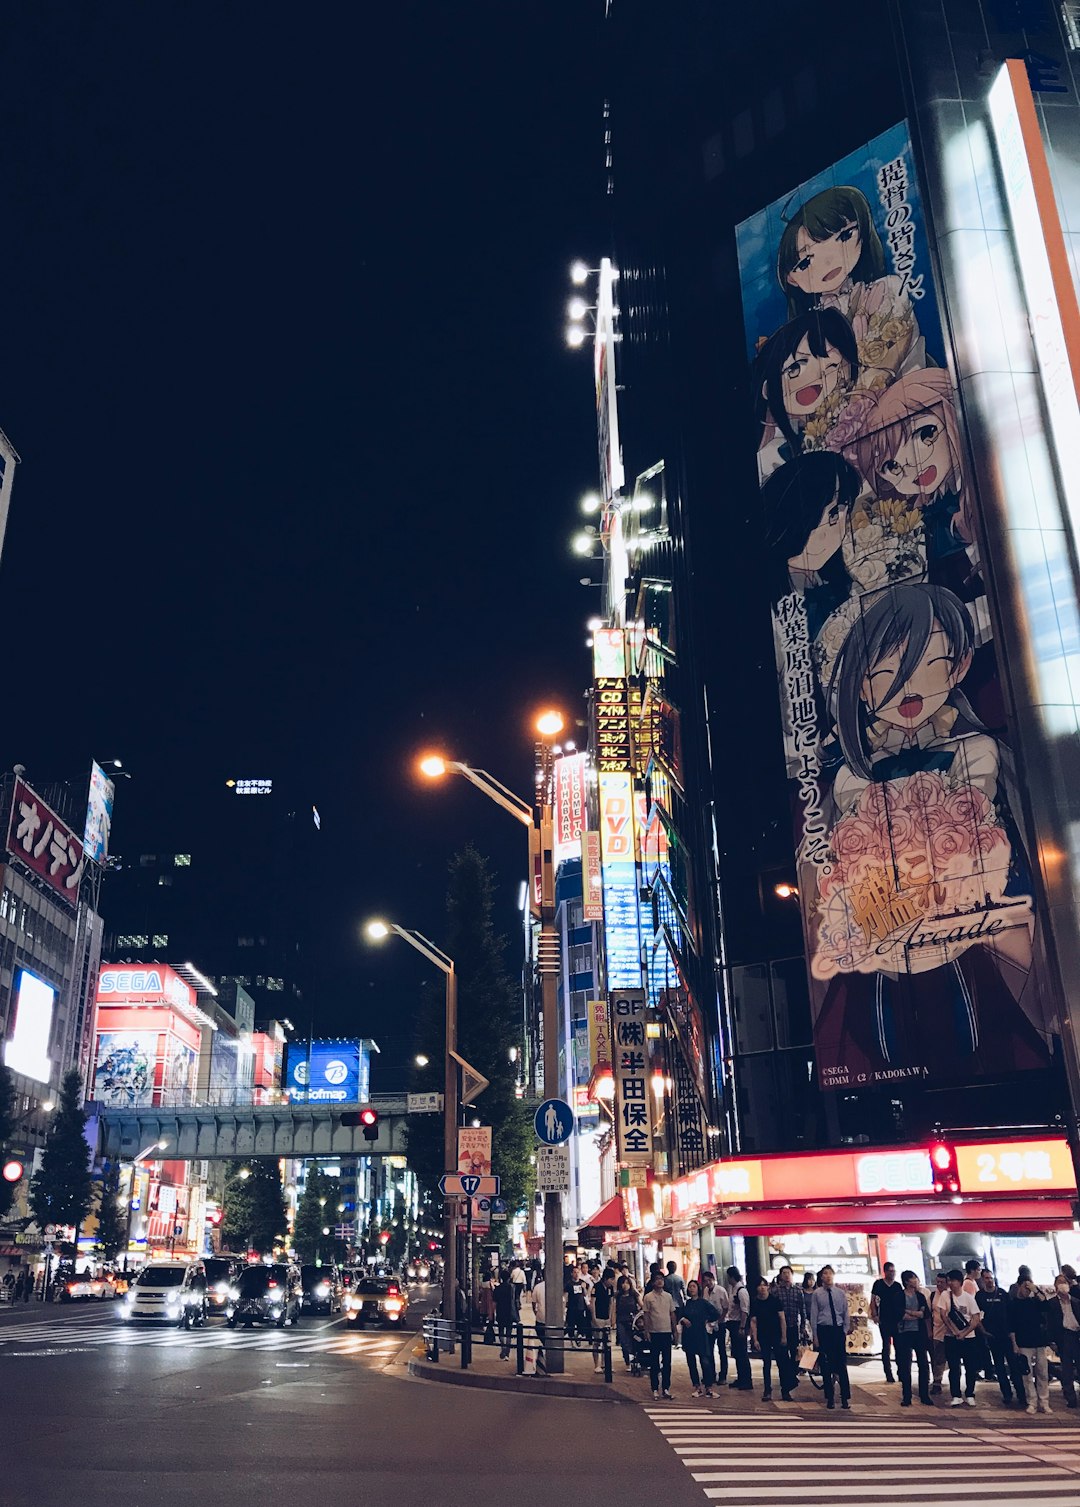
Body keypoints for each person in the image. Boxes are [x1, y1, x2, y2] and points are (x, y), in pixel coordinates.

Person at [977, 1270, 1024, 1408]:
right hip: (993, 1337)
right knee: (999, 1366)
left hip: (1007, 1335)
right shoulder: (979, 1296)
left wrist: (1013, 1334)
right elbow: (977, 1315)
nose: (989, 1280)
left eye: (991, 1278)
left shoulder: (1003, 1294)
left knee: (1014, 1366)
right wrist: (983, 1331)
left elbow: (1011, 1314)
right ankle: (1007, 1394)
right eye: (986, 1278)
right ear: (982, 1280)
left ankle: (1021, 1394)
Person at [809, 1265, 852, 1410]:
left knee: (841, 1365)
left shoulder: (840, 1293)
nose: (828, 1276)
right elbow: (814, 1315)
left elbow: (846, 1312)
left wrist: (844, 1330)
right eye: (825, 1274)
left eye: (830, 1274)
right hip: (824, 1330)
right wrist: (815, 1336)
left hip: (837, 1330)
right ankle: (830, 1397)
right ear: (821, 1277)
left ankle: (845, 1397)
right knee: (826, 1366)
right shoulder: (817, 1294)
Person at [1009, 1275, 1050, 1415]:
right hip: (1024, 1343)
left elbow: (1046, 1305)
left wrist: (1036, 1290)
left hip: (1039, 1342)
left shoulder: (1034, 1301)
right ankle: (1031, 1401)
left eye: (1029, 1288)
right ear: (1019, 1286)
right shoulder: (1013, 1304)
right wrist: (1014, 1344)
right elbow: (1011, 1326)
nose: (1027, 1291)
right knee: (1027, 1375)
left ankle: (1044, 1402)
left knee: (1043, 1373)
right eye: (1025, 1287)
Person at [942, 1268, 982, 1407]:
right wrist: (954, 1332)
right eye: (949, 1281)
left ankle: (970, 1394)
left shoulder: (968, 1298)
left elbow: (976, 1318)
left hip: (969, 1337)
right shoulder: (945, 1296)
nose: (950, 1284)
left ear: (959, 1282)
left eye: (952, 1281)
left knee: (970, 1367)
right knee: (954, 1367)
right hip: (950, 1337)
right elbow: (944, 1315)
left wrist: (964, 1333)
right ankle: (956, 1395)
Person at [894, 1270, 931, 1407]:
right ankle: (907, 1395)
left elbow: (924, 1314)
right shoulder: (899, 1296)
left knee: (923, 1363)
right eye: (913, 1278)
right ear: (907, 1281)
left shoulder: (920, 1296)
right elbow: (899, 1314)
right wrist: (916, 1314)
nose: (916, 1280)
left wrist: (909, 1312)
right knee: (905, 1365)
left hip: (919, 1332)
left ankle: (924, 1394)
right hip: (904, 1332)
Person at [750, 1276, 790, 1401]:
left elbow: (782, 1318)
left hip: (776, 1335)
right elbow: (753, 1321)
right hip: (763, 1336)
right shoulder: (755, 1302)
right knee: (766, 1363)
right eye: (760, 1285)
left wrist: (784, 1336)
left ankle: (785, 1390)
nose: (762, 1288)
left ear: (768, 1287)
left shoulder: (775, 1300)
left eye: (764, 1285)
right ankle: (767, 1390)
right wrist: (755, 1339)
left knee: (781, 1363)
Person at [642, 1270, 678, 1400]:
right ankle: (655, 1388)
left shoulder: (668, 1296)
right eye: (657, 1279)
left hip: (666, 1332)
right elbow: (646, 1315)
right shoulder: (648, 1297)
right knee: (654, 1362)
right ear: (653, 1282)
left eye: (661, 1279)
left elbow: (672, 1314)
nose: (659, 1281)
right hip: (654, 1332)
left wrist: (675, 1331)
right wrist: (646, 1331)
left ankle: (666, 1388)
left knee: (667, 1362)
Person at [1046, 1273, 1080, 1410]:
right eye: (1059, 1282)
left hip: (1077, 1335)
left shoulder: (1076, 1302)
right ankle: (1070, 1398)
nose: (1062, 1285)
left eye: (1064, 1282)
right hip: (1063, 1337)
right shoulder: (1052, 1303)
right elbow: (1049, 1323)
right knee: (1067, 1370)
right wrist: (1052, 1341)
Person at [679, 1279, 718, 1397]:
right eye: (690, 1287)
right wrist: (683, 1320)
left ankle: (708, 1387)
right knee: (691, 1362)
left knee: (705, 1361)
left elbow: (715, 1313)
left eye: (694, 1286)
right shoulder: (686, 1303)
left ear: (698, 1289)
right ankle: (697, 1386)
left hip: (701, 1335)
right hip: (689, 1336)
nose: (691, 1289)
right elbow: (680, 1315)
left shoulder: (703, 1303)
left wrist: (707, 1320)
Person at [870, 1261, 906, 1384]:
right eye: (890, 1271)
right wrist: (874, 1314)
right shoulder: (878, 1284)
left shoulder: (897, 1286)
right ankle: (888, 1373)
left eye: (893, 1271)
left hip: (896, 1319)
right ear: (885, 1272)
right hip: (884, 1319)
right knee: (886, 1346)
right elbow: (873, 1300)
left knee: (899, 1346)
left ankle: (901, 1372)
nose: (892, 1273)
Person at [774, 1266, 807, 1392]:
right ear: (781, 1275)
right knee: (783, 1355)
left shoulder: (798, 1291)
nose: (786, 1275)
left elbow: (802, 1310)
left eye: (788, 1273)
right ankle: (787, 1381)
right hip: (780, 1329)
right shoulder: (776, 1291)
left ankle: (792, 1376)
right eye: (784, 1273)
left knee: (794, 1354)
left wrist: (803, 1326)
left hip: (793, 1327)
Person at [725, 1266, 752, 1390]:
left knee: (742, 1354)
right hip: (733, 1324)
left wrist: (742, 1327)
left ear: (732, 1277)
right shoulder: (734, 1289)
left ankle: (746, 1380)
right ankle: (741, 1378)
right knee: (737, 1353)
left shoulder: (741, 1291)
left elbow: (744, 1311)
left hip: (739, 1325)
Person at [701, 1270, 730, 1383]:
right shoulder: (705, 1291)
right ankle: (711, 1374)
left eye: (709, 1280)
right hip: (709, 1324)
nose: (707, 1283)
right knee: (709, 1349)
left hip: (720, 1323)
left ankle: (723, 1376)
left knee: (722, 1350)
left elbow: (726, 1307)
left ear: (713, 1279)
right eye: (705, 1281)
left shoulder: (720, 1290)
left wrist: (720, 1320)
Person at [590, 1267, 617, 1375]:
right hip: (598, 1317)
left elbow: (611, 1303)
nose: (612, 1281)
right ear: (606, 1279)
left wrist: (611, 1317)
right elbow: (592, 1303)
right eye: (611, 1279)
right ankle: (596, 1365)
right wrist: (594, 1317)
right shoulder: (596, 1287)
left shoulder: (610, 1289)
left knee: (607, 1343)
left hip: (606, 1318)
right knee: (597, 1342)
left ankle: (606, 1364)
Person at [930, 1272, 950, 1394]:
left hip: (950, 1331)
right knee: (937, 1358)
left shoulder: (950, 1295)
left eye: (941, 1282)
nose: (939, 1284)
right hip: (937, 1331)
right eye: (937, 1282)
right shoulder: (933, 1296)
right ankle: (937, 1382)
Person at [615, 1276, 640, 1375]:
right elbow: (613, 1308)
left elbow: (641, 1304)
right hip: (621, 1320)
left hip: (632, 1321)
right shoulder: (618, 1295)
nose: (625, 1285)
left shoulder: (634, 1294)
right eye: (623, 1283)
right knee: (624, 1342)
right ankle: (627, 1362)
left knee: (633, 1341)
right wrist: (612, 1320)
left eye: (627, 1283)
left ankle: (634, 1360)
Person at [494, 1270, 516, 1361]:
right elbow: (514, 1300)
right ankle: (507, 1352)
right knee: (509, 1334)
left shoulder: (497, 1288)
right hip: (509, 1312)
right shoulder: (511, 1288)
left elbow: (494, 1301)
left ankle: (503, 1348)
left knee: (501, 1332)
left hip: (500, 1312)